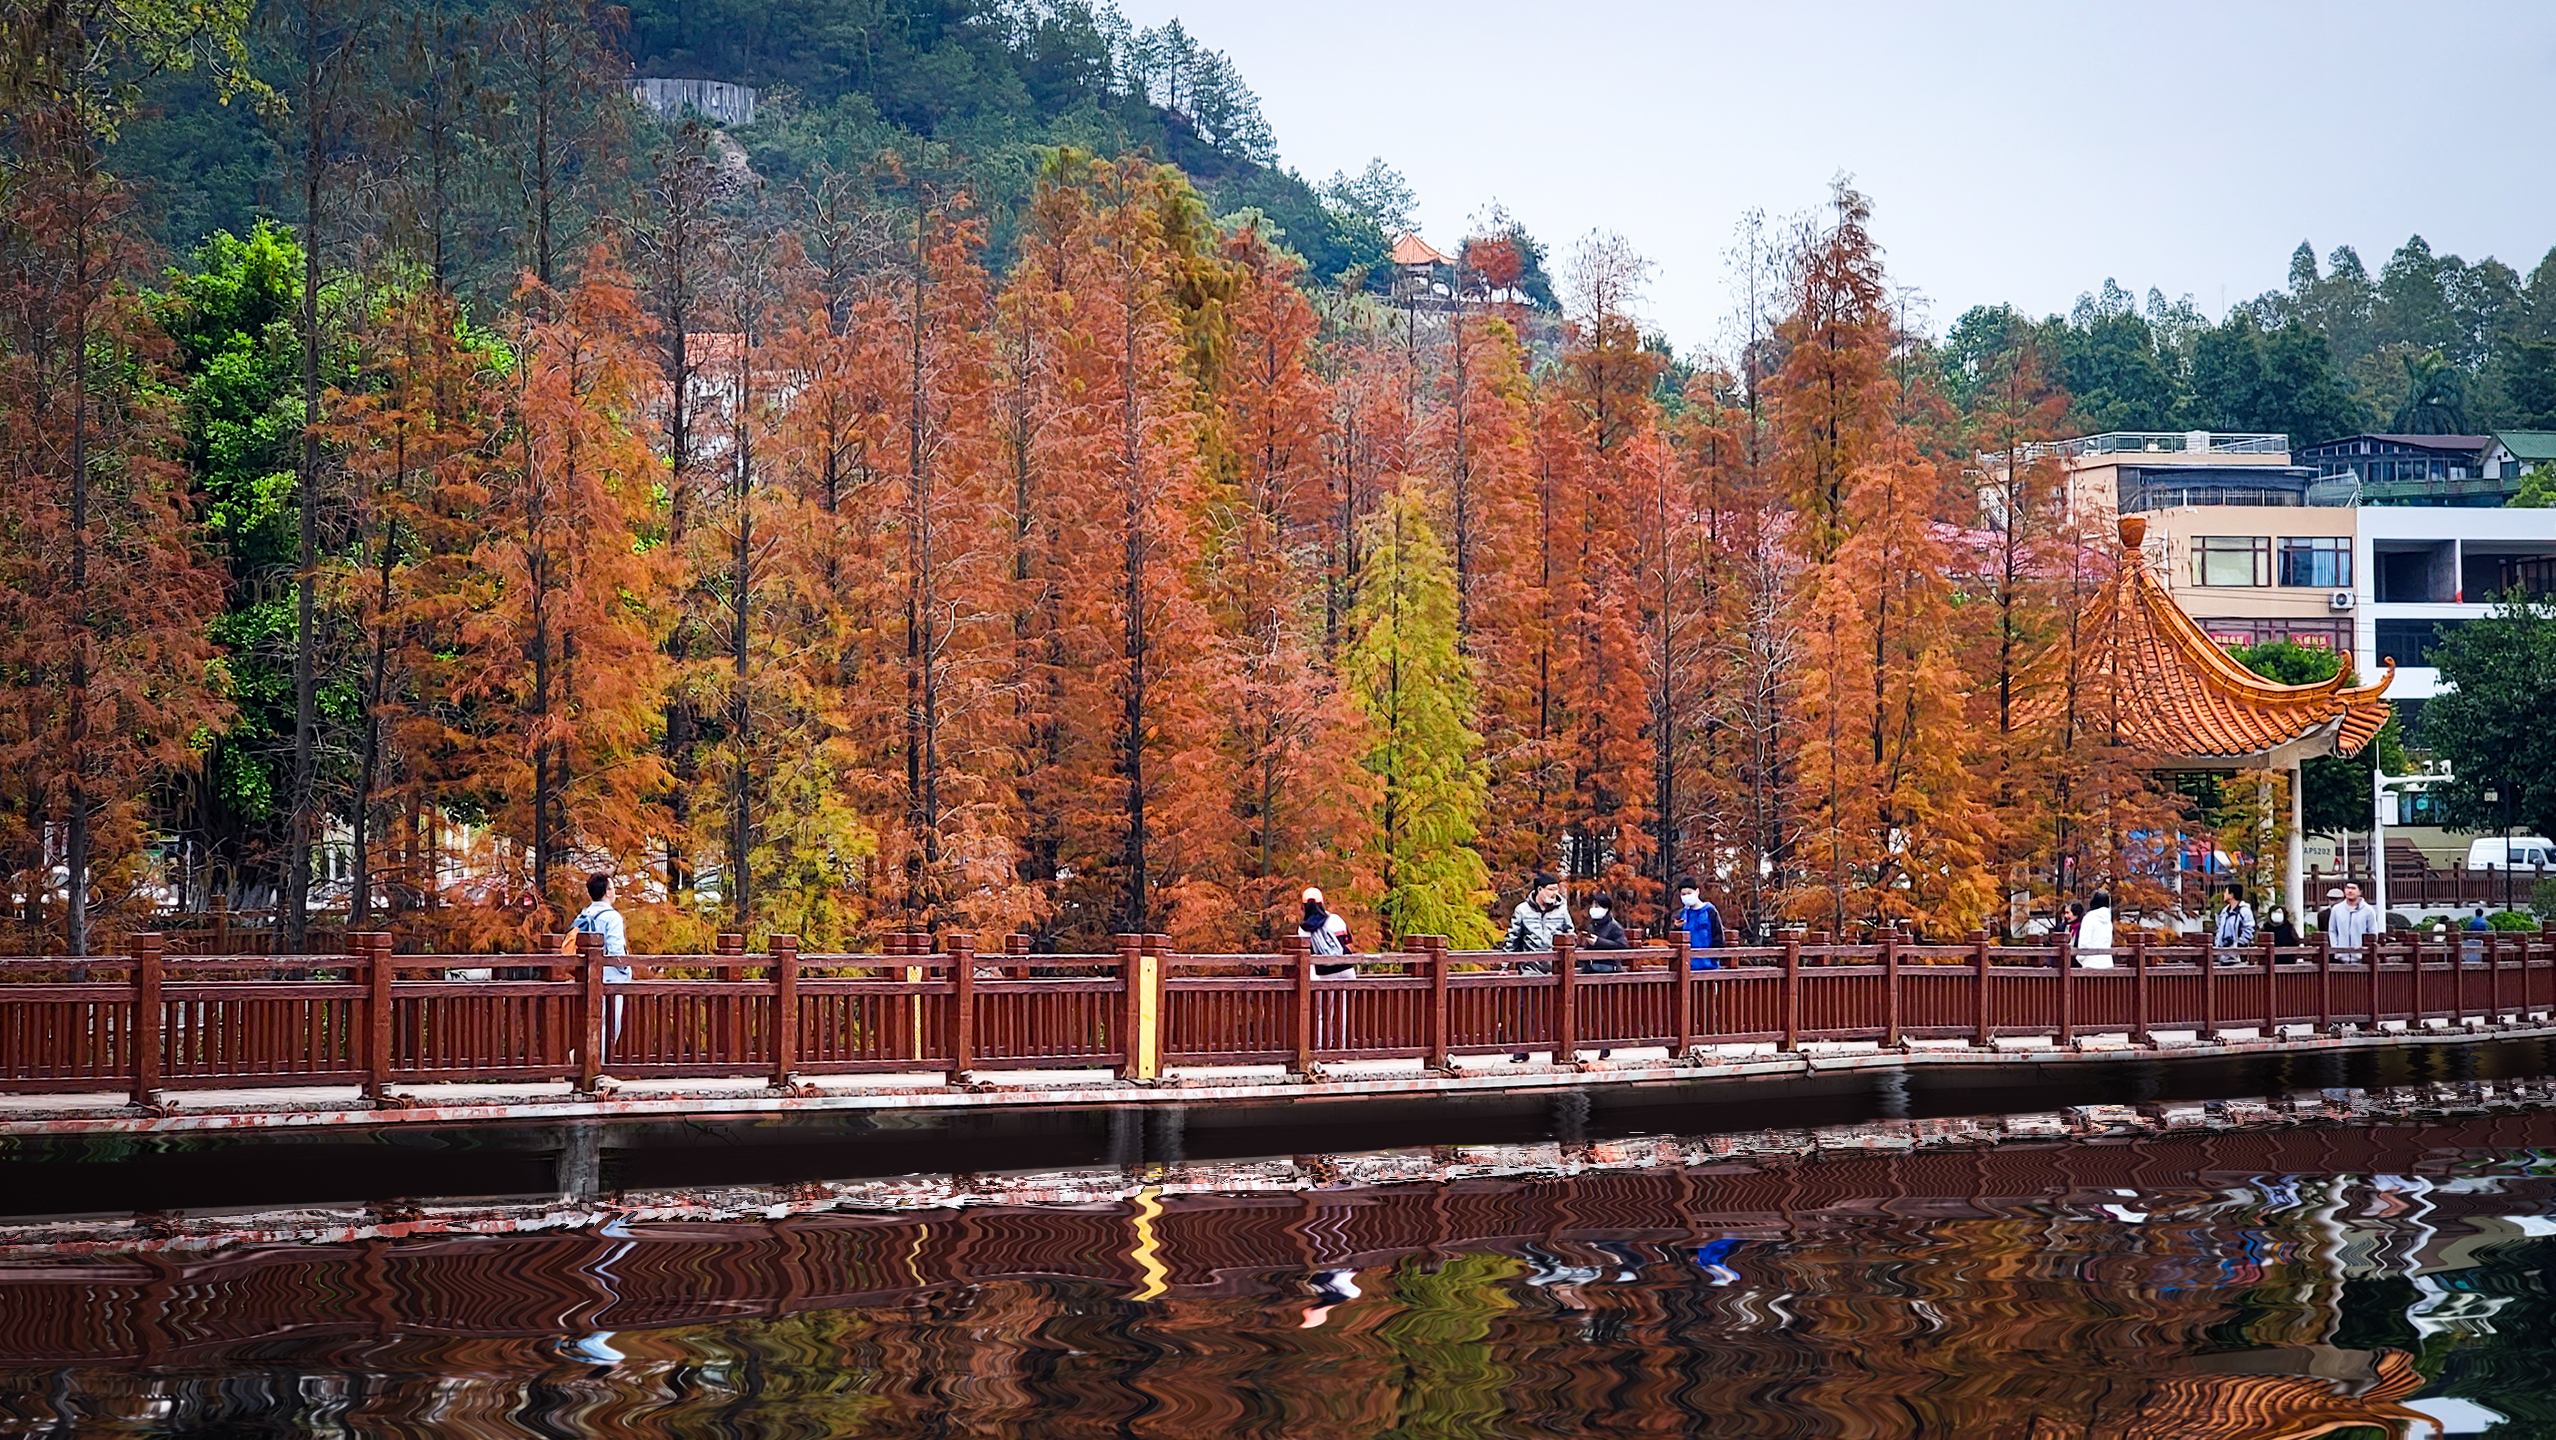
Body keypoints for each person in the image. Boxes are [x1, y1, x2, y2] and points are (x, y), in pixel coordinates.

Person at [1503, 873, 1575, 968]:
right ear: (1540, 889)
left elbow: (1570, 935)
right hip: (1529, 967)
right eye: (1551, 889)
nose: (1555, 893)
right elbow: (1512, 939)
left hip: (1555, 967)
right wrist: (1504, 966)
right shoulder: (1522, 910)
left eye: (1556, 889)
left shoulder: (1562, 910)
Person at [1300, 887, 1355, 978]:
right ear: (1322, 903)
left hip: (1324, 972)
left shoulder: (1303, 929)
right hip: (1346, 968)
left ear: (1304, 906)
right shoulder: (1335, 919)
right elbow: (1349, 944)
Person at [1675, 877, 1723, 971]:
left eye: (1689, 893)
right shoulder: (1682, 914)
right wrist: (1676, 928)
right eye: (1683, 894)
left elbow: (1718, 936)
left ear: (1697, 891)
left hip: (1708, 966)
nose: (1686, 896)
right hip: (1687, 967)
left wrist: (1714, 958)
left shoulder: (1710, 911)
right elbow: (1675, 940)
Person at [2325, 880, 2380, 953]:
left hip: (2361, 955)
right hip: (2340, 954)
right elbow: (2332, 930)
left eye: (2353, 888)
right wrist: (2335, 947)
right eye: (2347, 888)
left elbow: (2372, 932)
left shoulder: (2368, 910)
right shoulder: (2336, 909)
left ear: (2360, 892)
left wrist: (2365, 950)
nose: (2350, 891)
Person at [1580, 893, 1629, 973]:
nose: (1593, 909)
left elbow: (1622, 945)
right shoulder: (1592, 925)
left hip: (1609, 967)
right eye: (1592, 906)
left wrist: (1598, 942)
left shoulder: (1614, 926)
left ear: (1606, 909)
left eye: (1597, 906)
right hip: (1591, 967)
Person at [2211, 883, 2256, 965]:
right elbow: (2219, 929)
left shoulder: (2244, 911)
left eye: (2226, 892)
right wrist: (2218, 943)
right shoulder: (2224, 911)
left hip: (2238, 955)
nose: (2224, 894)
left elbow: (2248, 929)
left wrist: (2239, 944)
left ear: (2231, 895)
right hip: (2223, 953)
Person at [2074, 890, 2115, 968]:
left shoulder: (2089, 918)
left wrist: (2079, 958)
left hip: (2091, 963)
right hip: (2107, 962)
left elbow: (2084, 942)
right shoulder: (2108, 919)